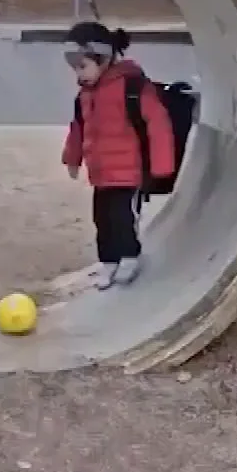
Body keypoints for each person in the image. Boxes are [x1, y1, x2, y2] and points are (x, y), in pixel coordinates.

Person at [60, 22, 176, 288]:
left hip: (129, 173)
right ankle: (109, 261)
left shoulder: (133, 87)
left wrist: (162, 165)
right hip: (101, 174)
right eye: (75, 68)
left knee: (124, 217)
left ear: (104, 59)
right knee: (102, 219)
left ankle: (129, 257)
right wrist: (72, 158)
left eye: (83, 66)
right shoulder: (84, 96)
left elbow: (158, 124)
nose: (79, 74)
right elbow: (79, 128)